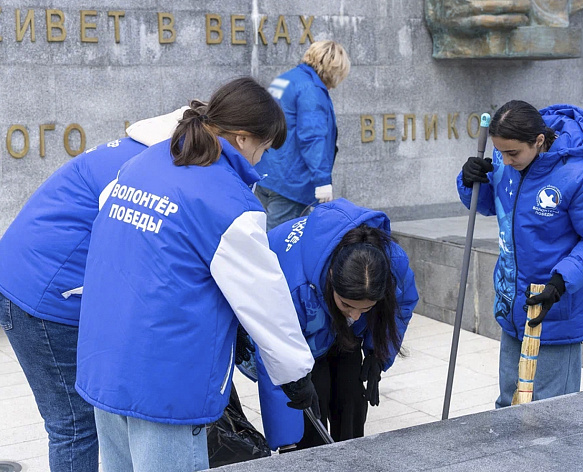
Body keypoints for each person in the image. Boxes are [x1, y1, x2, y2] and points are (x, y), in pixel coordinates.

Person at [75, 78, 319, 472]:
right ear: (242, 138)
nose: (262, 159)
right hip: (166, 382)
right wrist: (294, 373)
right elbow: (264, 297)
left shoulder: (144, 163)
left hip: (105, 362)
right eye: (264, 147)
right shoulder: (227, 202)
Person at [0, 106, 187, 472]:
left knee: (82, 420)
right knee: (74, 426)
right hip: (39, 295)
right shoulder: (143, 172)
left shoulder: (135, 149)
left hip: (22, 275)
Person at [457, 101, 583, 407]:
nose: (504, 161)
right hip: (514, 302)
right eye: (499, 152)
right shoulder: (509, 161)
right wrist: (470, 182)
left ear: (539, 141)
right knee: (509, 403)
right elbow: (492, 205)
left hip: (557, 304)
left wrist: (560, 282)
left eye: (512, 154)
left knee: (552, 412)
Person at [251, 199, 418, 451]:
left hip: (333, 323)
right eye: (348, 305)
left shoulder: (392, 263)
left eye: (367, 308)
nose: (357, 316)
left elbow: (401, 308)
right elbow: (271, 353)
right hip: (297, 327)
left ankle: (351, 455)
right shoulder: (293, 286)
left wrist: (377, 354)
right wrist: (288, 443)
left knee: (351, 392)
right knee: (310, 403)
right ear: (331, 278)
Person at [255, 40, 351, 230]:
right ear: (331, 68)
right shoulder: (311, 90)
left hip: (265, 174)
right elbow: (312, 137)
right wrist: (323, 181)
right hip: (290, 184)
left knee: (265, 239)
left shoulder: (285, 79)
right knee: (282, 245)